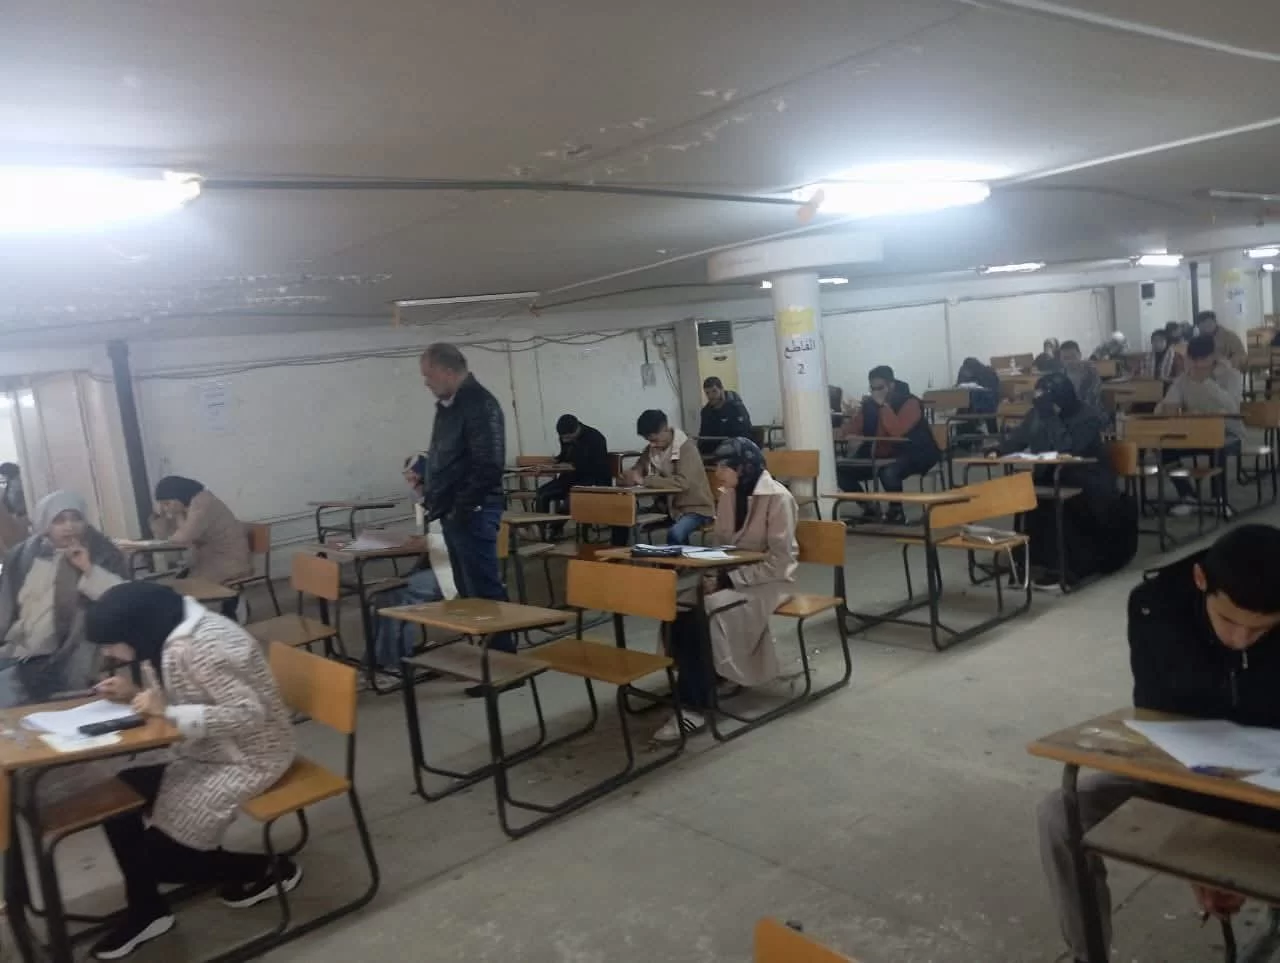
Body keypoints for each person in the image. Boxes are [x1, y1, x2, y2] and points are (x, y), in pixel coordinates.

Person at [1037, 525, 1280, 963]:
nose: (1240, 639)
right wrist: (1202, 858)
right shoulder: (1156, 609)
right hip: (1183, 774)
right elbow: (1159, 725)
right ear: (1201, 580)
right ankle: (1087, 954)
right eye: (1228, 621)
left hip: (1271, 786)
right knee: (1060, 813)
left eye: (1260, 630)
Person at [84, 581, 298, 960]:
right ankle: (148, 911)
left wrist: (166, 712)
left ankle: (271, 867)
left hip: (250, 755)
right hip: (206, 749)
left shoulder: (207, 644)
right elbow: (183, 693)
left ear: (136, 627)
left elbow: (248, 715)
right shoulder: (165, 634)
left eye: (111, 643)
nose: (108, 653)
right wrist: (134, 694)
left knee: (162, 861)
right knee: (117, 799)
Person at [653, 438, 797, 743]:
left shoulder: (779, 498)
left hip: (767, 583)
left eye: (723, 467)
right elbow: (721, 546)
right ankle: (699, 679)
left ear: (743, 468)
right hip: (731, 576)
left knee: (703, 615)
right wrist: (712, 573)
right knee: (678, 607)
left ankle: (695, 708)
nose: (717, 473)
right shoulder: (729, 495)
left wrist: (729, 579)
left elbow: (780, 561)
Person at [993, 373, 1136, 587]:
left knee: (1056, 502)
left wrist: (1050, 417)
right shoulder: (1038, 413)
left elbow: (1068, 450)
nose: (1041, 402)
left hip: (1086, 482)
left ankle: (1062, 566)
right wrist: (998, 450)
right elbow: (1018, 439)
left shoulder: (1088, 417)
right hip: (1051, 477)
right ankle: (1030, 560)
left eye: (1046, 397)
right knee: (1028, 496)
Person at [420, 343, 514, 660]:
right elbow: (451, 457)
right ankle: (487, 658)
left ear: (447, 371)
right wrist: (426, 476)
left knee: (484, 590)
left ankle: (504, 662)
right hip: (456, 511)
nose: (426, 382)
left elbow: (489, 465)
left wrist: (460, 508)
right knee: (467, 589)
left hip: (473, 510)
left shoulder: (479, 404)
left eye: (429, 374)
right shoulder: (449, 406)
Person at [0, 491, 127, 706]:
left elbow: (122, 600)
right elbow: (6, 605)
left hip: (77, 641)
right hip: (22, 642)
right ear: (45, 525)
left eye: (76, 518)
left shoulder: (103, 553)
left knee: (16, 686)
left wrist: (87, 568)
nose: (70, 526)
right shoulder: (23, 554)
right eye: (59, 520)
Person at [369, 454, 456, 669]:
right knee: (382, 594)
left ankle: (392, 665)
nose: (411, 486)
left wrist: (425, 542)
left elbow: (457, 542)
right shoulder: (426, 504)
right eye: (407, 479)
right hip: (432, 567)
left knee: (397, 596)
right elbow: (423, 536)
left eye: (413, 480)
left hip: (452, 572)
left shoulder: (452, 500)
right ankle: (378, 660)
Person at [835, 366, 939, 525]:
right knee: (839, 471)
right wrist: (848, 433)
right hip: (880, 452)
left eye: (880, 388)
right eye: (872, 389)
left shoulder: (910, 403)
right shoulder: (869, 405)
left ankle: (896, 511)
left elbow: (897, 432)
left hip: (914, 452)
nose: (876, 392)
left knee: (888, 472)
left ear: (891, 385)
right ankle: (869, 508)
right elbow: (853, 427)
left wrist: (883, 406)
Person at [1154, 334, 1243, 516]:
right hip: (1195, 432)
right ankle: (1188, 496)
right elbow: (1167, 406)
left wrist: (1206, 383)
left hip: (1228, 432)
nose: (1197, 364)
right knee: (1165, 448)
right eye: (1193, 359)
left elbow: (1233, 407)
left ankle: (1218, 499)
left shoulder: (1231, 375)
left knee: (1217, 446)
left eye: (1202, 359)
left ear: (1214, 356)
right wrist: (1165, 407)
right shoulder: (1184, 378)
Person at [623, 410, 716, 545]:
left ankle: (679, 558)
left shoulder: (686, 449)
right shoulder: (651, 449)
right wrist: (629, 476)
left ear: (665, 429)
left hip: (695, 508)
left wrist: (644, 480)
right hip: (668, 509)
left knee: (675, 534)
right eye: (649, 441)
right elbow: (639, 468)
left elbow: (682, 483)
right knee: (628, 519)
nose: (652, 444)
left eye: (654, 440)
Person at [150, 477, 252, 587]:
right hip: (208, 560)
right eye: (161, 504)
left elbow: (182, 538)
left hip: (229, 561)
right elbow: (163, 535)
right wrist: (158, 516)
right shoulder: (184, 507)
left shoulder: (203, 503)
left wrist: (177, 517)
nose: (165, 508)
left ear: (178, 496)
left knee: (182, 587)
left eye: (166, 503)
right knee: (174, 585)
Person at [536, 415, 612, 533]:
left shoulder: (595, 437)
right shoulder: (565, 437)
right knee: (542, 493)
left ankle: (554, 529)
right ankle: (541, 532)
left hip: (594, 479)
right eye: (562, 438)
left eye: (568, 437)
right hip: (571, 478)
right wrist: (553, 463)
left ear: (576, 430)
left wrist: (570, 466)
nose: (565, 440)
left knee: (571, 499)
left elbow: (595, 466)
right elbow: (564, 456)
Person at [697, 377, 753, 454]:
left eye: (714, 391)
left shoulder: (736, 407)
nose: (711, 396)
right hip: (713, 448)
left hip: (736, 447)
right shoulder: (706, 411)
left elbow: (744, 434)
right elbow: (703, 435)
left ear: (722, 389)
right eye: (707, 393)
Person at [955, 357, 1000, 433]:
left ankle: (968, 436)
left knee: (965, 412)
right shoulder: (965, 371)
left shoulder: (988, 373)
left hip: (986, 405)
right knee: (964, 411)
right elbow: (959, 385)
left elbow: (992, 394)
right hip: (973, 405)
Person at [1058, 341, 1103, 414]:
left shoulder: (1090, 371)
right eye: (1065, 358)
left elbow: (1091, 398)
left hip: (1090, 414)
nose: (1070, 361)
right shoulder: (1060, 376)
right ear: (1061, 359)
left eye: (1073, 357)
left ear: (1080, 355)